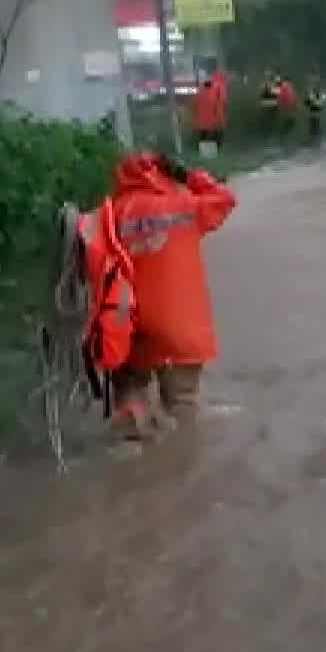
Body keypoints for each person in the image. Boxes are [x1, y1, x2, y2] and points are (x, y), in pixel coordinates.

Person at [105, 150, 238, 446]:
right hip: (182, 330)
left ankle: (132, 431)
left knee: (133, 395)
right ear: (159, 175)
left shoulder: (111, 213)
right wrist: (190, 176)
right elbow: (225, 198)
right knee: (182, 410)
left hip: (132, 328)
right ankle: (181, 465)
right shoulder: (184, 205)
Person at [191, 67, 228, 154]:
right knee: (217, 132)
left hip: (201, 115)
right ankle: (214, 151)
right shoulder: (220, 85)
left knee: (203, 132)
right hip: (213, 113)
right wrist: (221, 116)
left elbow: (196, 99)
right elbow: (221, 100)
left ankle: (204, 151)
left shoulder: (206, 84)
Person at [304, 76, 326, 140]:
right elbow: (308, 102)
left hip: (314, 113)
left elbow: (309, 102)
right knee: (314, 126)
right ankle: (315, 138)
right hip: (314, 113)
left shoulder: (316, 94)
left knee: (314, 126)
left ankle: (315, 138)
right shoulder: (314, 93)